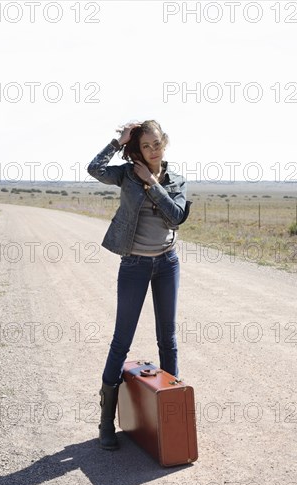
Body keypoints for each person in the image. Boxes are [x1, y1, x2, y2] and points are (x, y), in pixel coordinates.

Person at [87, 120, 191, 450]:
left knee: (168, 339)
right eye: (145, 146)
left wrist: (152, 183)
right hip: (134, 264)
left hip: (166, 264)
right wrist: (118, 141)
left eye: (156, 143)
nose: (152, 150)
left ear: (165, 141)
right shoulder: (126, 173)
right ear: (138, 148)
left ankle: (170, 414)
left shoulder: (175, 178)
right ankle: (106, 423)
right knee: (122, 341)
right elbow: (95, 168)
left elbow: (175, 216)